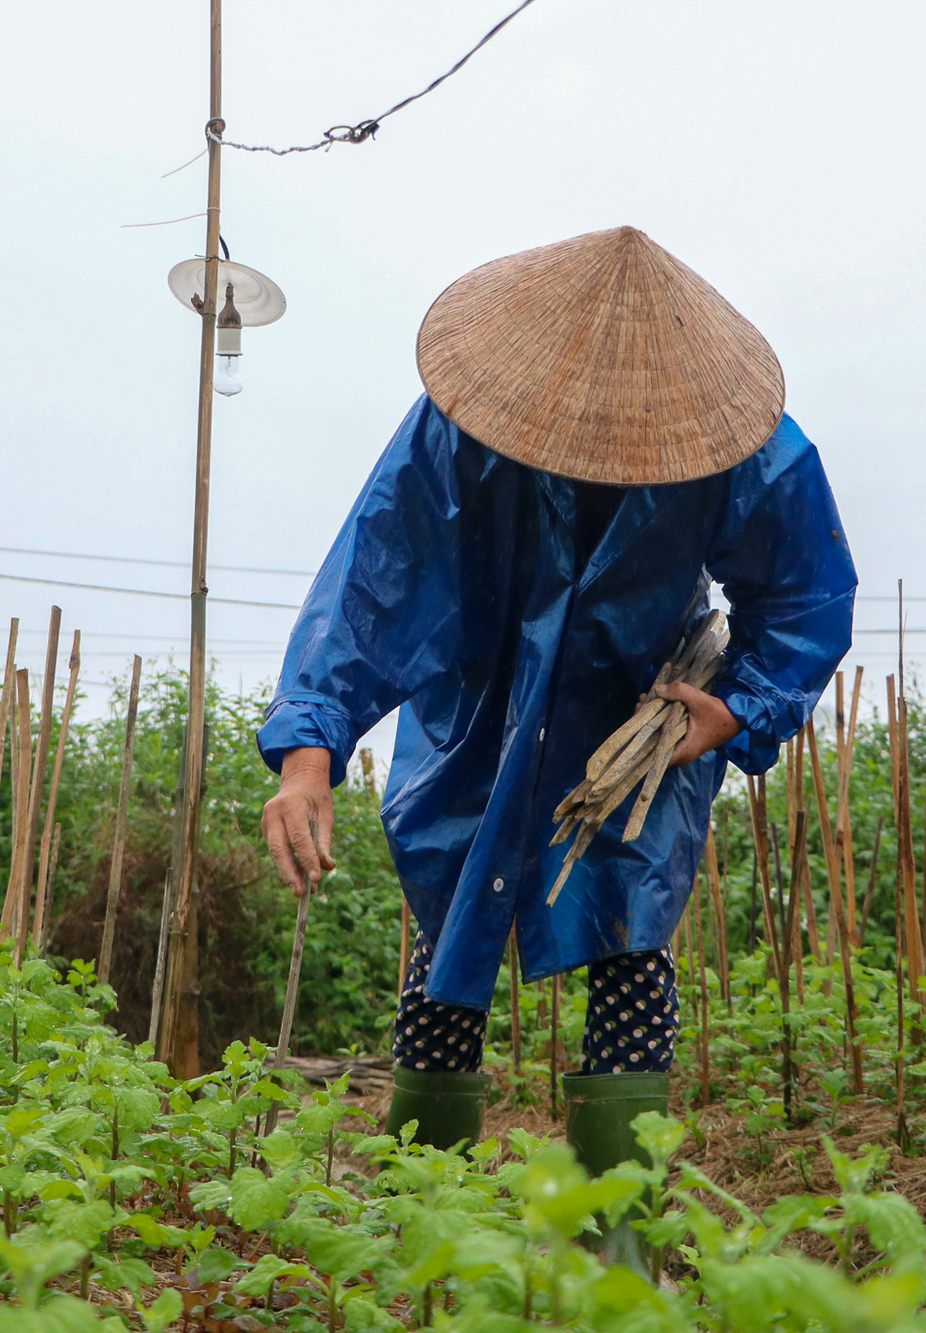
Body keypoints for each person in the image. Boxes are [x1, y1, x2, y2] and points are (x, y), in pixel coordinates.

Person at [256, 225, 856, 1209]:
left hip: (634, 726)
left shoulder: (748, 451)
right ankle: (421, 1217)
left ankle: (612, 1241)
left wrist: (736, 711)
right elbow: (373, 575)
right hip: (479, 716)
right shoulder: (459, 428)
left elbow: (803, 594)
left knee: (629, 945)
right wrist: (308, 746)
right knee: (447, 948)